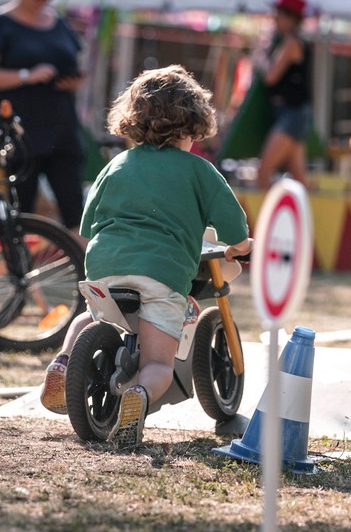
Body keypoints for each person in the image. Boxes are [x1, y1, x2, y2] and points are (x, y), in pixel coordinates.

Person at [38, 64, 252, 449]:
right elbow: (233, 227)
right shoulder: (199, 171)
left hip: (104, 268)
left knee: (90, 317)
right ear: (193, 125)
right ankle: (140, 393)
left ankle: (64, 361)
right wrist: (240, 247)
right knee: (158, 364)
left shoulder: (115, 165)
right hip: (160, 275)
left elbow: (88, 226)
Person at [0, 0, 85, 230]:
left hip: (61, 130)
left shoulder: (58, 22)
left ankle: (81, 267)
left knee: (75, 211)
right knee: (22, 213)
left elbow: (77, 62)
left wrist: (71, 80)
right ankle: (21, 268)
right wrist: (26, 75)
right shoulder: (0, 24)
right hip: (22, 136)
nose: (44, 0)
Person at [254, 0, 314, 190]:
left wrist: (260, 54)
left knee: (263, 172)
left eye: (278, 15)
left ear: (290, 18)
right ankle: (314, 218)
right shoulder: (291, 41)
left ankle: (267, 220)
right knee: (299, 178)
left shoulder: (291, 43)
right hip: (291, 113)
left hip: (292, 114)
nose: (274, 19)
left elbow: (270, 76)